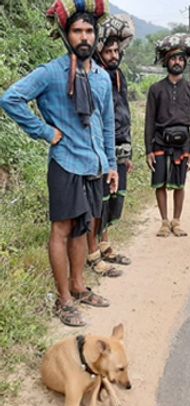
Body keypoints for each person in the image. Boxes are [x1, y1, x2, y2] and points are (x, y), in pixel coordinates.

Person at [0, 0, 117, 326]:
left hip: (93, 164)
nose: (84, 37)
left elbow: (106, 125)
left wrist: (111, 165)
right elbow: (10, 99)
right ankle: (63, 300)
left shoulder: (102, 79)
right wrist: (45, 131)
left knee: (83, 227)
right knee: (62, 229)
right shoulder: (52, 73)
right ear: (67, 35)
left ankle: (79, 287)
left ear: (96, 36)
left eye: (89, 31)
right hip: (65, 162)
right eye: (77, 30)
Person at [87, 14, 136, 277]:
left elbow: (123, 112)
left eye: (117, 50)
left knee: (114, 199)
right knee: (99, 200)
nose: (114, 55)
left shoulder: (119, 77)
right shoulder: (93, 76)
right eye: (108, 50)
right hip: (99, 148)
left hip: (119, 145)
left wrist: (128, 150)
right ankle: (92, 252)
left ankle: (105, 244)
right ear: (99, 52)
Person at [145, 33, 190, 237]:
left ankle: (177, 222)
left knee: (180, 183)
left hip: (183, 144)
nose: (177, 62)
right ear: (166, 61)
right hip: (160, 141)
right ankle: (164, 221)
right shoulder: (155, 89)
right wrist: (148, 150)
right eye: (173, 58)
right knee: (159, 183)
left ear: (185, 62)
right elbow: (149, 121)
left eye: (180, 59)